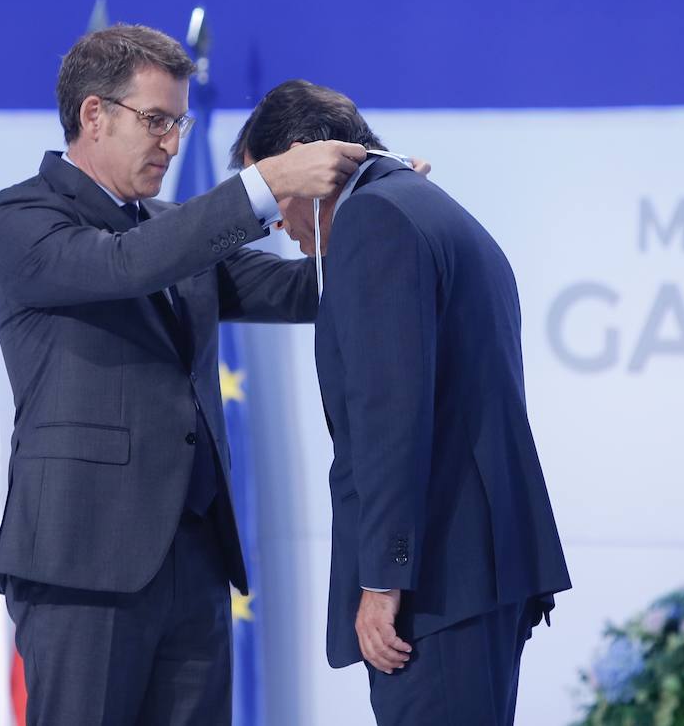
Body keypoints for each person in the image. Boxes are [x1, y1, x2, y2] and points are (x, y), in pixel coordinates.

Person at [0, 26, 370, 726]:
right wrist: (267, 181)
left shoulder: (176, 226)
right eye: (155, 120)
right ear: (93, 115)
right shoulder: (21, 217)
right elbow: (124, 264)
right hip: (83, 565)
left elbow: (297, 291)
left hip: (193, 559)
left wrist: (381, 216)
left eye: (178, 123)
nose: (172, 142)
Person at [231, 80, 572, 726]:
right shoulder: (417, 202)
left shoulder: (375, 218)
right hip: (476, 567)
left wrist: (382, 580)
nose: (274, 220)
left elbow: (391, 414)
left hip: (438, 576)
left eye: (272, 187)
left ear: (308, 159)